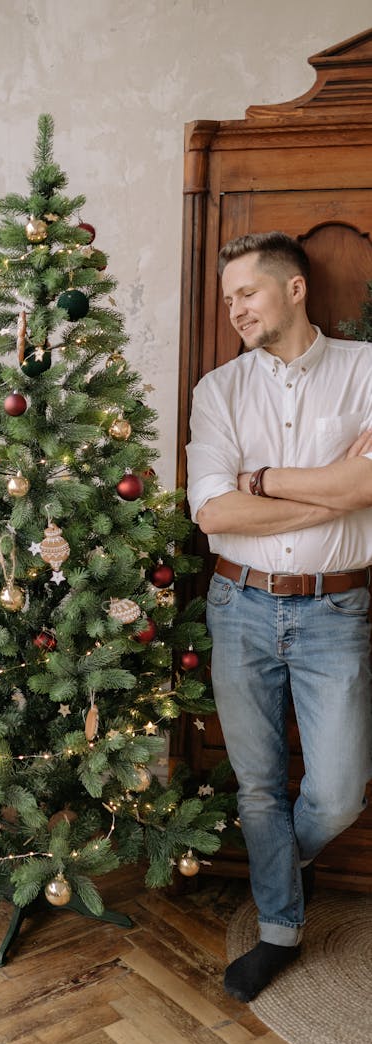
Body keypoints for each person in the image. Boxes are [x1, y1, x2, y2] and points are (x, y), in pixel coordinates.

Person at [187, 231, 372, 1002]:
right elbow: (212, 509)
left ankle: (271, 865)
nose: (233, 309)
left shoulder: (367, 372)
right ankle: (279, 928)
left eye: (246, 293)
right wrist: (330, 484)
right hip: (237, 603)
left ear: (293, 289)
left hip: (336, 604)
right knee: (258, 784)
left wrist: (259, 479)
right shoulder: (218, 391)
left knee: (338, 789)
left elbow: (368, 491)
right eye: (228, 298)